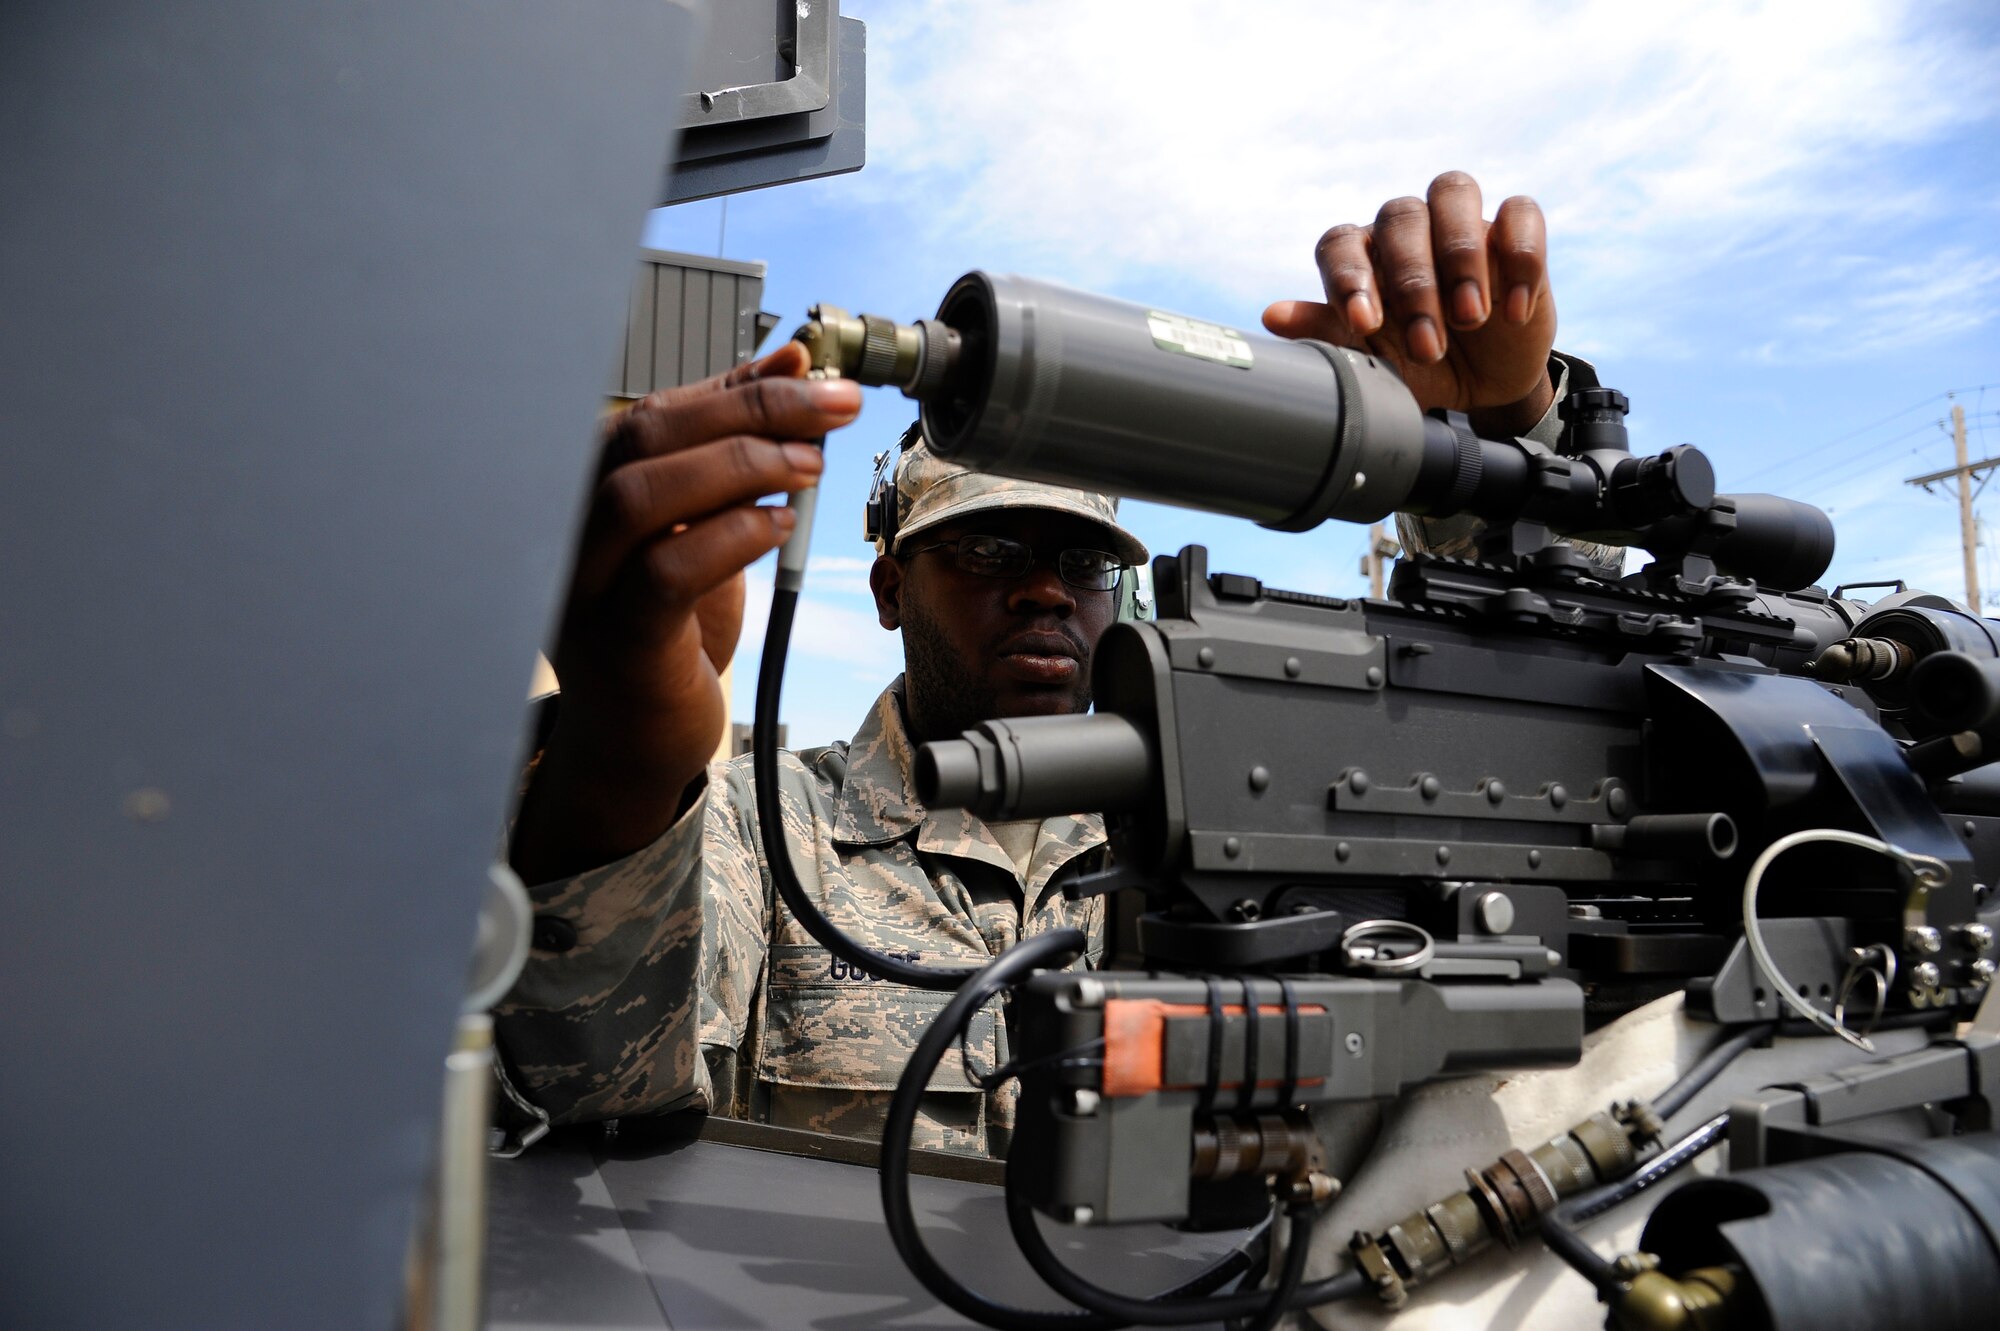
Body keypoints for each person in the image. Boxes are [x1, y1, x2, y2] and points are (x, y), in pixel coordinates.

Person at [495, 173, 1576, 1157]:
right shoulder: (768, 831)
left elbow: (1540, 778)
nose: (1046, 589)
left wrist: (1487, 462)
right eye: (986, 548)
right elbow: (584, 1094)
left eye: (1080, 561)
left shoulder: (1221, 838)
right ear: (885, 590)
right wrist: (623, 760)